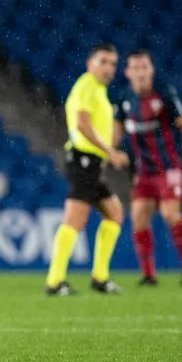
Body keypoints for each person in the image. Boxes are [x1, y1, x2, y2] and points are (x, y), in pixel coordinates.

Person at [114, 49, 182, 285]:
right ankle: (149, 274)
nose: (140, 72)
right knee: (138, 217)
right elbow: (115, 130)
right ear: (128, 72)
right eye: (135, 68)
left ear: (151, 70)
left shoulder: (166, 95)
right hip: (143, 171)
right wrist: (109, 151)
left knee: (170, 214)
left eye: (144, 67)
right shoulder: (124, 99)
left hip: (171, 167)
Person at [45, 43, 130, 296]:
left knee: (114, 213)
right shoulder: (86, 86)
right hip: (82, 159)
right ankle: (54, 280)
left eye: (113, 63)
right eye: (103, 62)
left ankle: (99, 278)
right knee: (75, 218)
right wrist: (110, 151)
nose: (108, 68)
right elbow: (82, 124)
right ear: (89, 63)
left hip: (91, 162)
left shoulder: (99, 91)